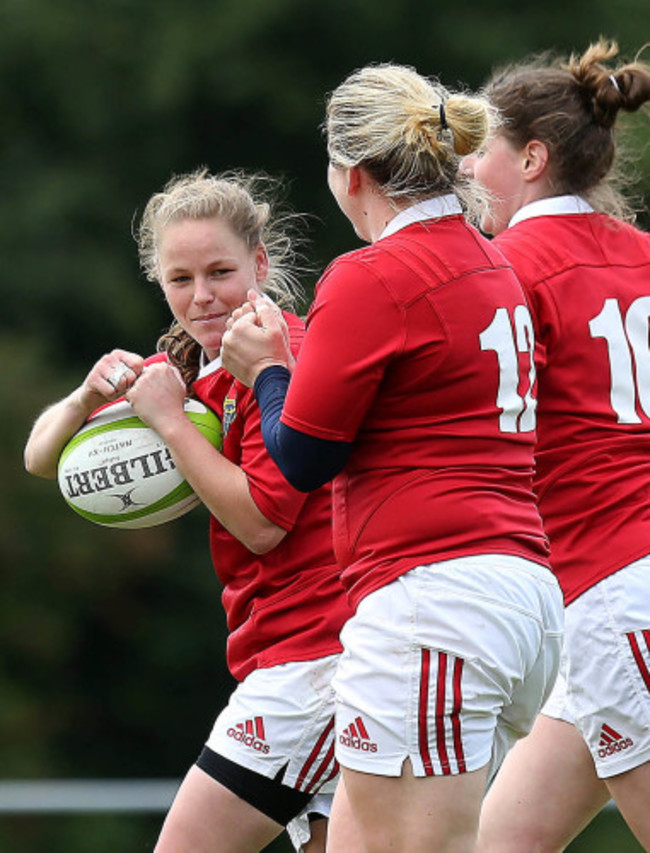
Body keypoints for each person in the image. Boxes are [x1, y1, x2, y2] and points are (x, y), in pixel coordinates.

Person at [221, 63, 565, 853]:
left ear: (354, 175)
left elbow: (302, 459)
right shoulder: (494, 260)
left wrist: (269, 372)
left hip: (434, 599)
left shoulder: (376, 273)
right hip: (511, 591)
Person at [23, 168, 354, 853]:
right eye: (180, 278)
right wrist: (87, 399)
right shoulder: (184, 373)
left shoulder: (282, 359)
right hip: (289, 659)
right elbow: (41, 456)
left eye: (220, 271)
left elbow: (264, 523)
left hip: (317, 658)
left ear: (259, 263)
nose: (202, 296)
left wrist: (172, 423)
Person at [459, 39, 650, 851]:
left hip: (615, 589)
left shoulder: (504, 267)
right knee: (504, 838)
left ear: (531, 157)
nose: (467, 173)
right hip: (609, 597)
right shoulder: (641, 254)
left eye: (480, 155)